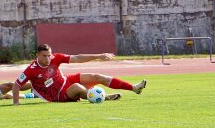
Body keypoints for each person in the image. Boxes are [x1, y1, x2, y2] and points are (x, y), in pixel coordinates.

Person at [12, 44, 147, 105]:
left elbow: (77, 57)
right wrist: (16, 104)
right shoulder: (31, 69)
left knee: (96, 77)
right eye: (44, 56)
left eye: (49, 55)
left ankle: (134, 88)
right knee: (77, 87)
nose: (48, 59)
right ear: (37, 55)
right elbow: (17, 85)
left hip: (66, 81)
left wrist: (99, 56)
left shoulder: (56, 58)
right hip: (57, 96)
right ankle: (103, 98)